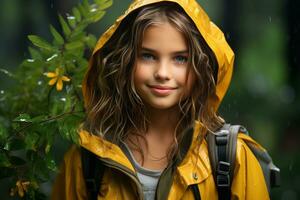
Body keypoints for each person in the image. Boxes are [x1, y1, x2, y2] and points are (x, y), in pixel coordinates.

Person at [51, 0, 270, 199]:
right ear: (125, 61)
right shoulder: (87, 159)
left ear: (201, 68)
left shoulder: (232, 158)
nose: (163, 73)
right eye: (148, 55)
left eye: (180, 59)